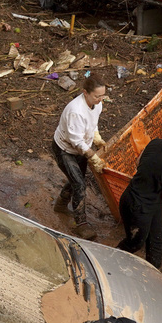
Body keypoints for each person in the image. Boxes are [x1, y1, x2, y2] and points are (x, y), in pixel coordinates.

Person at [117, 122, 162, 269]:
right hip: (138, 207)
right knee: (135, 243)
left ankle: (154, 270)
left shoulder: (156, 143)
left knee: (156, 239)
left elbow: (139, 162)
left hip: (145, 201)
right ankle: (112, 259)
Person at [52, 75, 107, 240]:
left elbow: (94, 121)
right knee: (80, 185)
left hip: (81, 147)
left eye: (102, 95)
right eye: (97, 96)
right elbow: (76, 141)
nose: (100, 99)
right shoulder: (75, 111)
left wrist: (96, 136)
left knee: (77, 179)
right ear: (85, 93)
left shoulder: (96, 104)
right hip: (66, 150)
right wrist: (93, 156)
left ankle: (60, 205)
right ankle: (81, 225)